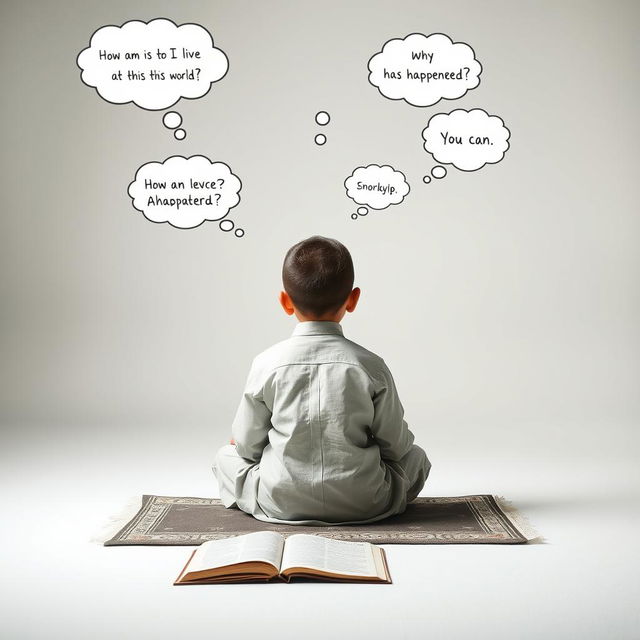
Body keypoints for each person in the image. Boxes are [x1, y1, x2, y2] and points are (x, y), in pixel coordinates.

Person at [212, 236, 431, 525]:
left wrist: (242, 443)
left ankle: (281, 495)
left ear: (285, 302)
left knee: (225, 456)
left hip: (280, 500)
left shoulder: (266, 363)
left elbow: (248, 447)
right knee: (416, 457)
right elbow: (397, 445)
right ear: (352, 300)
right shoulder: (370, 366)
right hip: (366, 502)